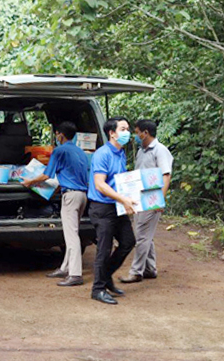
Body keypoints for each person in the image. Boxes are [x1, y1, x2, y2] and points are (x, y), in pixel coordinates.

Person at [22, 121, 89, 287]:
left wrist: (30, 181)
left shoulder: (59, 151)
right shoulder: (80, 152)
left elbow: (47, 175)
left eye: (57, 134)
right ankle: (65, 268)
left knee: (71, 236)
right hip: (82, 195)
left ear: (61, 135)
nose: (56, 136)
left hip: (70, 196)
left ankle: (75, 274)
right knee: (73, 232)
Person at [87, 116, 137, 305]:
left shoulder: (121, 152)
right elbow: (100, 184)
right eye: (123, 129)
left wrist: (130, 200)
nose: (127, 133)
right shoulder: (103, 154)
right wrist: (123, 199)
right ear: (112, 133)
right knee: (104, 248)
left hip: (117, 205)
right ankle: (98, 289)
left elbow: (119, 181)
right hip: (102, 208)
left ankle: (106, 277)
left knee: (128, 241)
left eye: (128, 129)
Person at [119, 119, 174, 284]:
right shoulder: (141, 151)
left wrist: (160, 200)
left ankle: (136, 272)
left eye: (137, 132)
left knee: (142, 236)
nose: (135, 136)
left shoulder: (160, 150)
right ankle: (150, 269)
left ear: (145, 133)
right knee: (144, 234)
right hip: (139, 199)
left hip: (152, 199)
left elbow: (166, 176)